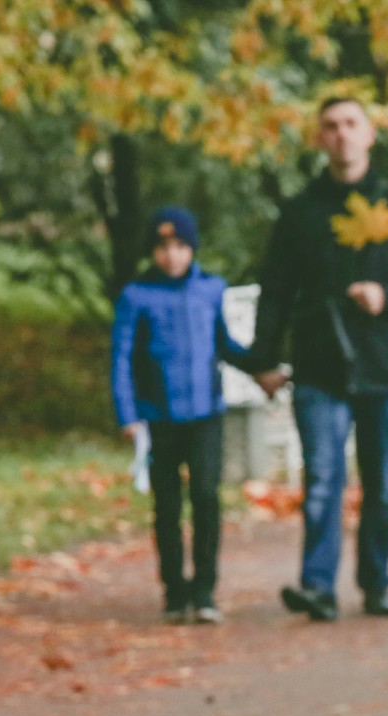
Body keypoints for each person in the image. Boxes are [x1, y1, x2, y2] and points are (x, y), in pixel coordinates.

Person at [244, 95, 388, 622]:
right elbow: (275, 290)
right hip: (318, 362)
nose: (341, 134)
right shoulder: (300, 212)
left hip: (382, 363)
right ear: (320, 138)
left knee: (380, 482)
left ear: (369, 134)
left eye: (351, 124)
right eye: (331, 126)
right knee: (322, 477)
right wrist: (264, 360)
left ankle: (376, 583)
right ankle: (318, 586)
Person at [109, 207, 257, 624]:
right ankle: (174, 591)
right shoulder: (136, 296)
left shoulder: (210, 290)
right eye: (162, 248)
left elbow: (225, 345)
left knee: (207, 498)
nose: (172, 256)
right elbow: (121, 358)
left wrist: (261, 366)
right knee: (167, 505)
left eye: (180, 247)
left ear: (192, 249)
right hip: (159, 416)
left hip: (205, 413)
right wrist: (127, 413)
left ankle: (205, 589)